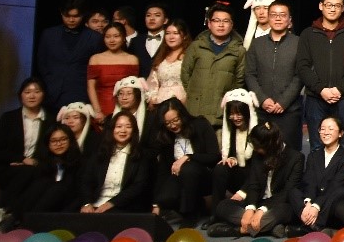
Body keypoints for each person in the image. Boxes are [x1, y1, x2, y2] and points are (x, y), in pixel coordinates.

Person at [211, 121, 304, 237]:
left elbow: (288, 191)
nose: (256, 150)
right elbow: (254, 184)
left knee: (285, 212)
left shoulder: (296, 158)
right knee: (223, 206)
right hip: (259, 201)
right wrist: (250, 208)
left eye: (259, 148)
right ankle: (268, 228)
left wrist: (262, 210)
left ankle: (238, 230)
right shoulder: (258, 154)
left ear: (270, 146)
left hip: (279, 203)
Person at [296, 0, 344, 155]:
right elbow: (303, 66)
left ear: (343, 8)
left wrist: (340, 89)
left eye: (337, 5)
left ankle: (343, 174)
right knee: (317, 145)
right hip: (316, 97)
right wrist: (321, 89)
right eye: (329, 5)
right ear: (321, 6)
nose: (332, 9)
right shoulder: (308, 34)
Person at [0, 123, 85, 229]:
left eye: (63, 139)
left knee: (57, 188)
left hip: (65, 204)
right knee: (38, 183)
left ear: (70, 140)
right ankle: (18, 218)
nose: (59, 144)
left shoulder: (79, 162)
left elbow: (79, 190)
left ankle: (26, 223)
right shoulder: (43, 161)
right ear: (48, 143)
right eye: (54, 141)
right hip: (42, 205)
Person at [0, 78, 50, 227]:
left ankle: (5, 210)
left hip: (37, 167)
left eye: (37, 92)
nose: (32, 96)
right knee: (27, 172)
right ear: (21, 95)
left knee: (32, 173)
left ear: (43, 95)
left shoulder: (50, 119)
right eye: (27, 92)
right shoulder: (9, 118)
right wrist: (21, 159)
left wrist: (33, 162)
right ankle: (7, 210)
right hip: (9, 167)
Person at [149, 97, 220, 227]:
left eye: (176, 120)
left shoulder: (200, 124)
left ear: (182, 115)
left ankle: (189, 215)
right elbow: (163, 169)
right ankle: (199, 205)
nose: (173, 125)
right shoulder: (166, 136)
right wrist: (156, 204)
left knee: (188, 168)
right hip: (179, 179)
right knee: (163, 198)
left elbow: (214, 156)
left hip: (204, 176)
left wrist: (188, 157)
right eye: (168, 123)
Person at [244, 0, 303, 151]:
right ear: (268, 18)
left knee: (289, 154)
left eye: (282, 15)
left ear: (289, 20)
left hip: (289, 111)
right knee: (262, 152)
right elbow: (250, 74)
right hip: (262, 111)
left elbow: (300, 75)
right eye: (274, 15)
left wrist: (283, 102)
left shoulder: (299, 43)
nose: (278, 18)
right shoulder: (256, 44)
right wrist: (263, 100)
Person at [181, 2, 247, 129]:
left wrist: (226, 98)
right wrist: (195, 93)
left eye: (226, 21)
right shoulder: (196, 46)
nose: (221, 25)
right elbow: (185, 73)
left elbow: (239, 80)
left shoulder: (239, 51)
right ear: (209, 24)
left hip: (221, 110)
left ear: (232, 25)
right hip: (195, 109)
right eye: (216, 20)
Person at [37, 0, 105, 111]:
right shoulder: (49, 34)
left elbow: (98, 70)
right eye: (67, 16)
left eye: (76, 16)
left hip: (81, 96)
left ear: (83, 14)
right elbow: (42, 63)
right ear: (61, 13)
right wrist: (51, 81)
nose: (71, 20)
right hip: (51, 95)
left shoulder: (95, 38)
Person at [79, 109, 153, 214]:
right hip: (95, 204)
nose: (123, 130)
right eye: (119, 126)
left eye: (128, 127)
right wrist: (87, 203)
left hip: (124, 207)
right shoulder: (99, 153)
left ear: (134, 131)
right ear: (112, 129)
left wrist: (111, 203)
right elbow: (86, 181)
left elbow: (138, 186)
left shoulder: (141, 155)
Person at [293, 116, 344, 235]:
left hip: (331, 204)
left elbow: (335, 185)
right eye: (322, 129)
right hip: (314, 200)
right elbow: (309, 182)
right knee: (293, 192)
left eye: (330, 129)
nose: (325, 132)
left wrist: (316, 206)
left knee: (341, 191)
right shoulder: (313, 156)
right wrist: (309, 202)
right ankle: (310, 222)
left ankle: (312, 226)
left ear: (340, 133)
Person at [212, 89, 259, 210]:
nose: (235, 118)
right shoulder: (231, 130)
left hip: (254, 179)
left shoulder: (259, 131)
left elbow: (259, 168)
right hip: (238, 174)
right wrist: (231, 158)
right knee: (220, 168)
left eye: (239, 114)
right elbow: (232, 153)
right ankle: (216, 211)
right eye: (231, 114)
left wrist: (242, 192)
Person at [91, 21, 142, 125]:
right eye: (108, 37)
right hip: (101, 107)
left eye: (116, 36)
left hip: (125, 106)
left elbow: (134, 89)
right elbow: (91, 87)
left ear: (123, 38)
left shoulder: (132, 59)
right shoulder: (95, 59)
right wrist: (97, 111)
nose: (112, 40)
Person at [146, 18, 191, 108]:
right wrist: (153, 98)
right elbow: (152, 81)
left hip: (183, 103)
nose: (171, 37)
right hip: (160, 104)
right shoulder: (161, 57)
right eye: (167, 33)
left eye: (175, 33)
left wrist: (185, 100)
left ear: (184, 36)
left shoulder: (190, 56)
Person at [131, 3, 170, 77]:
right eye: (148, 15)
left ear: (165, 20)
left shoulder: (171, 40)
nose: (152, 18)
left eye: (157, 15)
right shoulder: (136, 41)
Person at [111, 75, 149, 145]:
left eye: (129, 93)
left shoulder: (149, 119)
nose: (124, 98)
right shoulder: (110, 119)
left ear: (138, 95)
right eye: (121, 94)